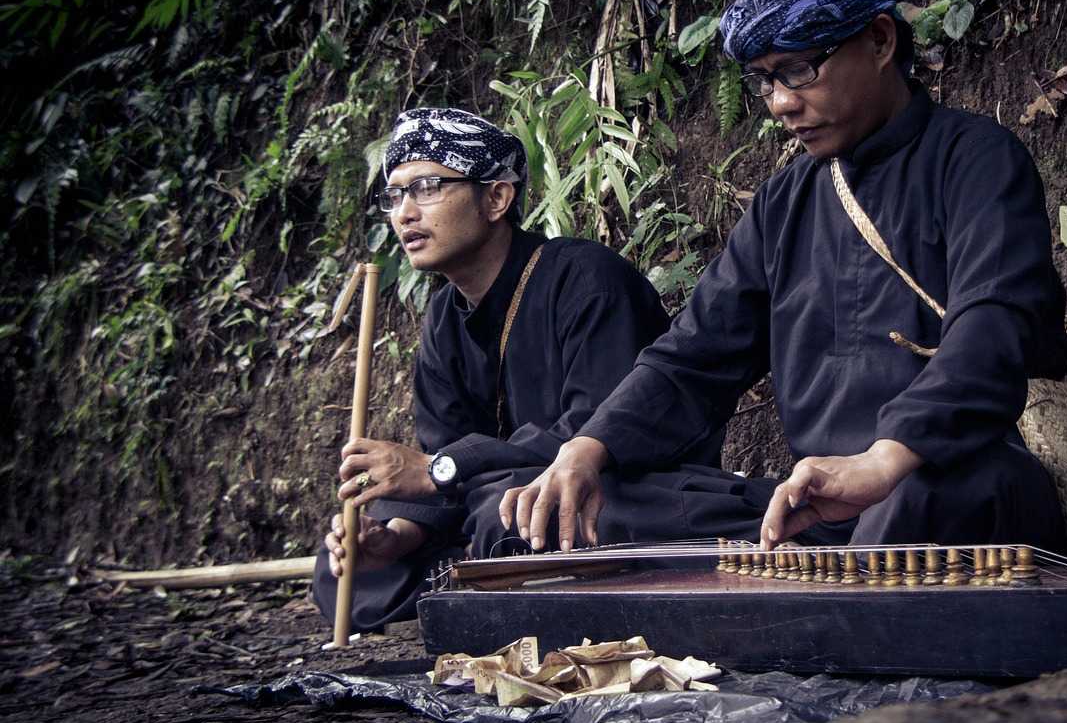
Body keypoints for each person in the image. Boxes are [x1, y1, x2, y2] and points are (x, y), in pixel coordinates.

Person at [500, 0, 1067, 556]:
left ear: (880, 40)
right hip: (819, 505)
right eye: (763, 81)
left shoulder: (977, 159)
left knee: (927, 498)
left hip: (944, 479)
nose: (780, 103)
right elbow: (694, 356)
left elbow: (993, 324)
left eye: (798, 69)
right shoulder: (783, 202)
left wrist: (885, 461)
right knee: (602, 505)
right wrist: (588, 447)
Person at [313, 108, 831, 633]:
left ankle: (488, 572)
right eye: (394, 196)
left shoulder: (585, 277)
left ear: (496, 198)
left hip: (626, 489)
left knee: (503, 512)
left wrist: (447, 470)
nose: (404, 213)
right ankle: (478, 569)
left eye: (425, 188)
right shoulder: (444, 317)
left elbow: (601, 431)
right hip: (500, 501)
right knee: (347, 562)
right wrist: (398, 534)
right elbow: (442, 469)